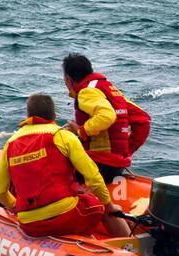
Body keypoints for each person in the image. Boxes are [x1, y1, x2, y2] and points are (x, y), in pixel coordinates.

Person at [0, 93, 130, 238]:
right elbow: (93, 176)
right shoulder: (62, 135)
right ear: (54, 115)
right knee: (98, 204)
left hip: (29, 224)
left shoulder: (10, 144)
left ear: (28, 116)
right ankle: (128, 247)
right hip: (65, 215)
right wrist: (108, 205)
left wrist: (15, 207)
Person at [61, 53, 151, 184]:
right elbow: (144, 120)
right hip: (116, 167)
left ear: (68, 79)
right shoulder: (110, 90)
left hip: (98, 165)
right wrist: (124, 153)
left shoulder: (87, 91)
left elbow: (107, 116)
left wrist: (81, 131)